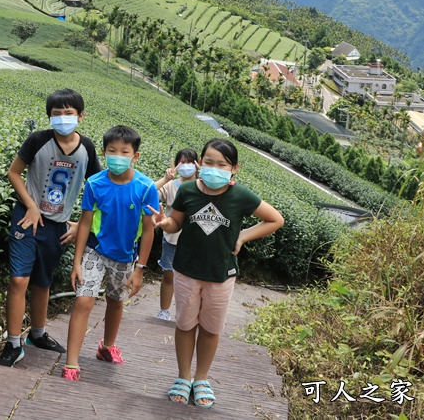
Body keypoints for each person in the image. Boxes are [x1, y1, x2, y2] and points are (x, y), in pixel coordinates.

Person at [149, 138, 284, 408]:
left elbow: (275, 219)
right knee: (185, 324)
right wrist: (164, 223)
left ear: (234, 168)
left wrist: (243, 237)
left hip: (222, 274)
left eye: (221, 164)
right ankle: (183, 376)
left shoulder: (241, 196)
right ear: (200, 163)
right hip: (186, 271)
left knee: (211, 329)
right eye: (208, 162)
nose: (214, 168)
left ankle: (201, 378)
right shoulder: (188, 191)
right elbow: (176, 223)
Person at [0, 88, 101, 367]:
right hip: (27, 219)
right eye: (56, 114)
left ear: (81, 116)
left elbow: (99, 189)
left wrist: (81, 223)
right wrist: (29, 204)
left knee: (43, 282)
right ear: (49, 117)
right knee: (19, 279)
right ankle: (13, 343)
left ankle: (38, 335)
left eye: (68, 113)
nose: (63, 118)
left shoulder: (87, 148)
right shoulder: (38, 140)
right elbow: (14, 172)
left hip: (58, 226)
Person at [60, 125, 159, 381]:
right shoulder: (95, 183)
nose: (117, 156)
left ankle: (106, 347)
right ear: (104, 152)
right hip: (95, 250)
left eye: (124, 151)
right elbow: (85, 222)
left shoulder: (146, 188)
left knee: (116, 301)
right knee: (84, 300)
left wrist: (141, 269)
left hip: (126, 256)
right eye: (112, 150)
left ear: (135, 155)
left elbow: (149, 231)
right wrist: (77, 262)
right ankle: (72, 362)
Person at [153, 148, 199, 322]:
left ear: (197, 164)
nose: (186, 166)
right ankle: (164, 311)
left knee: (192, 281)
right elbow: (148, 193)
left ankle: (186, 314)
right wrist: (166, 178)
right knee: (169, 275)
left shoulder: (203, 186)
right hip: (172, 239)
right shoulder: (171, 186)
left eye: (190, 162)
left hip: (195, 242)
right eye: (182, 162)